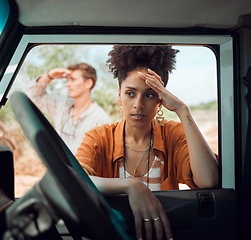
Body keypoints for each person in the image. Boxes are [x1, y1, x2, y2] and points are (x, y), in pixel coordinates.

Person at [75, 46, 219, 240]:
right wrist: (131, 185)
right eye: (130, 93)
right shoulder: (99, 137)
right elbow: (76, 179)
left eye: (149, 95)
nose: (138, 105)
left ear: (161, 99)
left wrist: (182, 109)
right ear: (119, 95)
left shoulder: (173, 134)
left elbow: (208, 180)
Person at [27, 63, 112, 154]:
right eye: (67, 80)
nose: (67, 84)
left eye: (73, 79)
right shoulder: (61, 106)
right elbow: (33, 95)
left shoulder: (102, 120)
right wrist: (49, 76)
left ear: (88, 83)